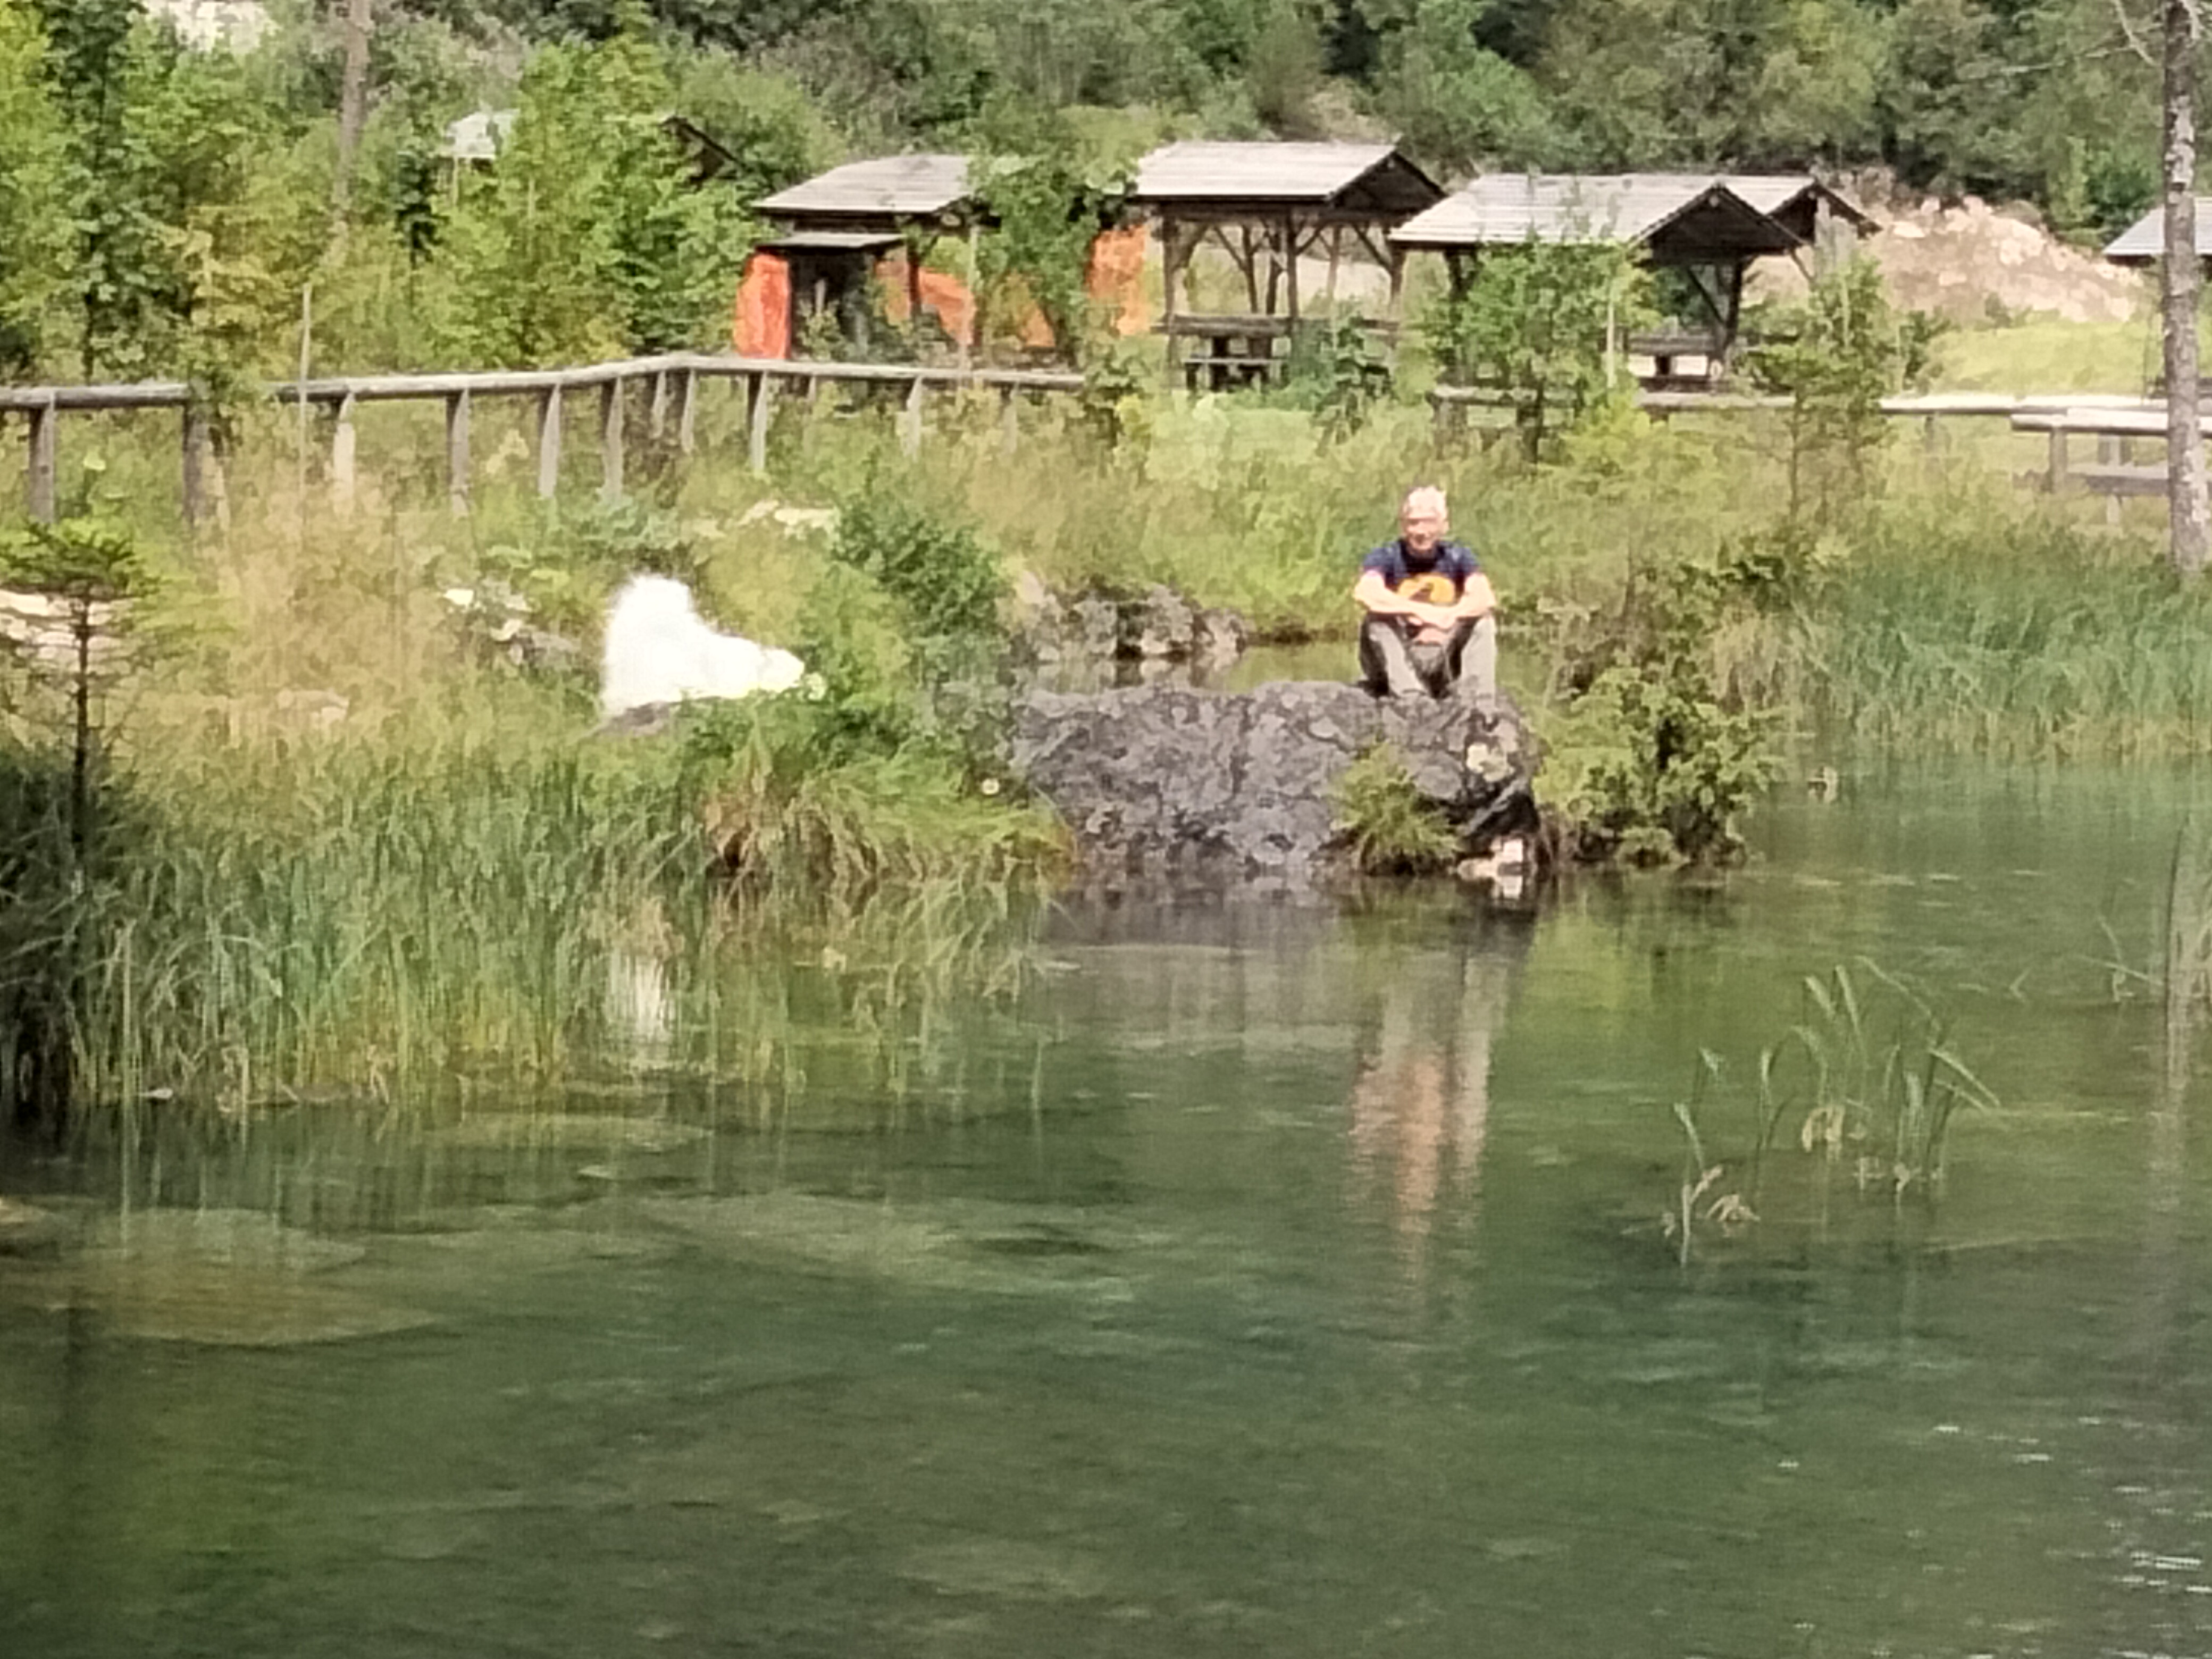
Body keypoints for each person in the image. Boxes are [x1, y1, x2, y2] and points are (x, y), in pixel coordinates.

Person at [1352, 485, 1497, 703]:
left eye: (1429, 522)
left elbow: (1484, 597)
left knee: (1483, 622)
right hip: (1396, 659)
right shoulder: (1386, 556)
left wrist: (1449, 618)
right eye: (1413, 523)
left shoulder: (1458, 556)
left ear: (1444, 526)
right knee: (1376, 620)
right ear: (1403, 526)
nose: (1421, 531)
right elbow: (1366, 592)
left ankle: (1478, 700)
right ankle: (1411, 698)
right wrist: (1422, 612)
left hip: (1442, 655)